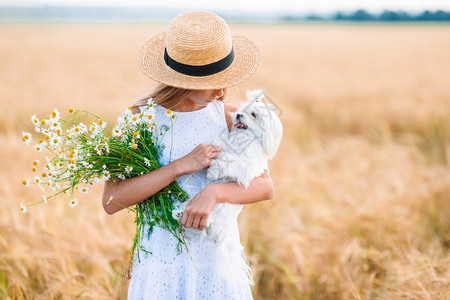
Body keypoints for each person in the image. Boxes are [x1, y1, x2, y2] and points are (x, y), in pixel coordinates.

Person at [102, 11, 274, 299]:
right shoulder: (138, 120)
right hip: (161, 264)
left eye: (225, 77)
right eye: (212, 79)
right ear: (182, 78)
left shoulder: (232, 118)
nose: (221, 89)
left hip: (217, 265)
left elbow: (265, 185)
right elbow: (111, 201)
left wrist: (215, 193)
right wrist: (179, 167)